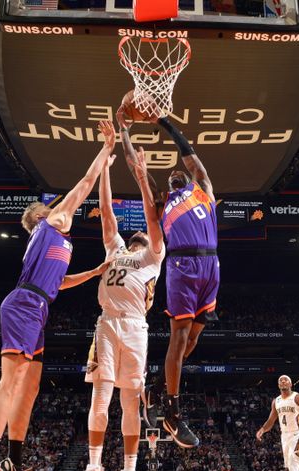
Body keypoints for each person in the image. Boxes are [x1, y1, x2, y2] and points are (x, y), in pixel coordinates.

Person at [0, 121, 116, 471]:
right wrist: (107, 149)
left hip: (37, 306)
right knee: (12, 380)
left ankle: (11, 464)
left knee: (30, 387)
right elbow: (86, 183)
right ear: (43, 215)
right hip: (22, 306)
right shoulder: (53, 223)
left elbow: (58, 283)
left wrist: (95, 273)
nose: (59, 207)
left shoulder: (52, 243)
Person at [117, 96, 219, 449]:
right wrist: (125, 131)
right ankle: (173, 415)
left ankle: (159, 390)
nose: (178, 171)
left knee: (192, 342)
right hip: (182, 266)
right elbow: (135, 168)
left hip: (211, 266)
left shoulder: (203, 188)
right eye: (175, 173)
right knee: (178, 340)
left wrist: (164, 122)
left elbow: (190, 153)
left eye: (181, 170)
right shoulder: (160, 204)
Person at [72, 125, 165, 471]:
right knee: (100, 399)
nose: (138, 231)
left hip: (135, 328)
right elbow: (107, 210)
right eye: (137, 232)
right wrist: (107, 162)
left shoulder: (152, 256)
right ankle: (95, 468)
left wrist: (142, 177)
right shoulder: (115, 247)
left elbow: (153, 218)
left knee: (129, 405)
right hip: (107, 324)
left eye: (143, 230)